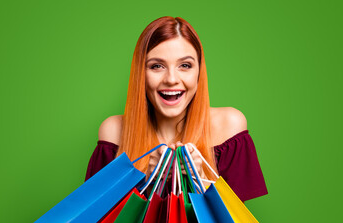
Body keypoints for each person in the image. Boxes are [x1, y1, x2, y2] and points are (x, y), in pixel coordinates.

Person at [85, 16, 268, 202]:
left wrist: (200, 184)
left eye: (185, 65)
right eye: (157, 66)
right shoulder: (113, 132)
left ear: (199, 72)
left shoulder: (229, 126)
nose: (171, 79)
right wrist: (145, 183)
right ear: (141, 73)